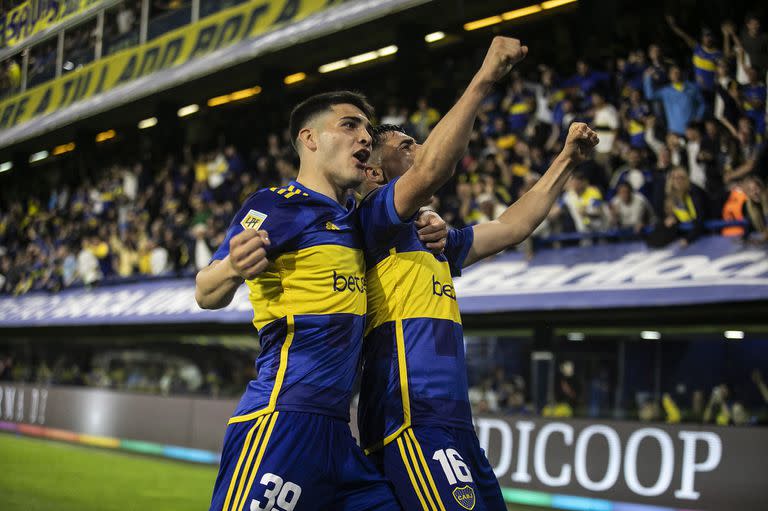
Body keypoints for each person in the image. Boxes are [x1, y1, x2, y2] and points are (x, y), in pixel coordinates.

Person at [358, 53, 598, 511]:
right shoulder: (372, 222)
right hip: (410, 417)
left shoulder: (435, 239)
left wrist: (567, 160)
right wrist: (485, 76)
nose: (420, 147)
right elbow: (433, 168)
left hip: (453, 422)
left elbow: (511, 227)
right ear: (374, 172)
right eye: (406, 145)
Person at [197, 91, 406, 511]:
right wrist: (233, 267)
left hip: (340, 437)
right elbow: (206, 291)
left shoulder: (360, 221)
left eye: (367, 128)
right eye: (350, 125)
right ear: (309, 139)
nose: (365, 137)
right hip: (283, 421)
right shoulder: (276, 204)